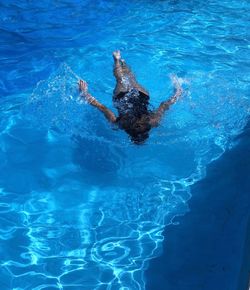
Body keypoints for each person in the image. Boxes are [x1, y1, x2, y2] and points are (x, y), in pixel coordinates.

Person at [79, 50, 182, 144]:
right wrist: (85, 94)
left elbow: (164, 105)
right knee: (120, 79)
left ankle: (121, 62)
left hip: (141, 95)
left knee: (131, 78)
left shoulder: (153, 121)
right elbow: (102, 107)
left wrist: (177, 93)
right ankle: (117, 61)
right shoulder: (119, 124)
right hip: (122, 97)